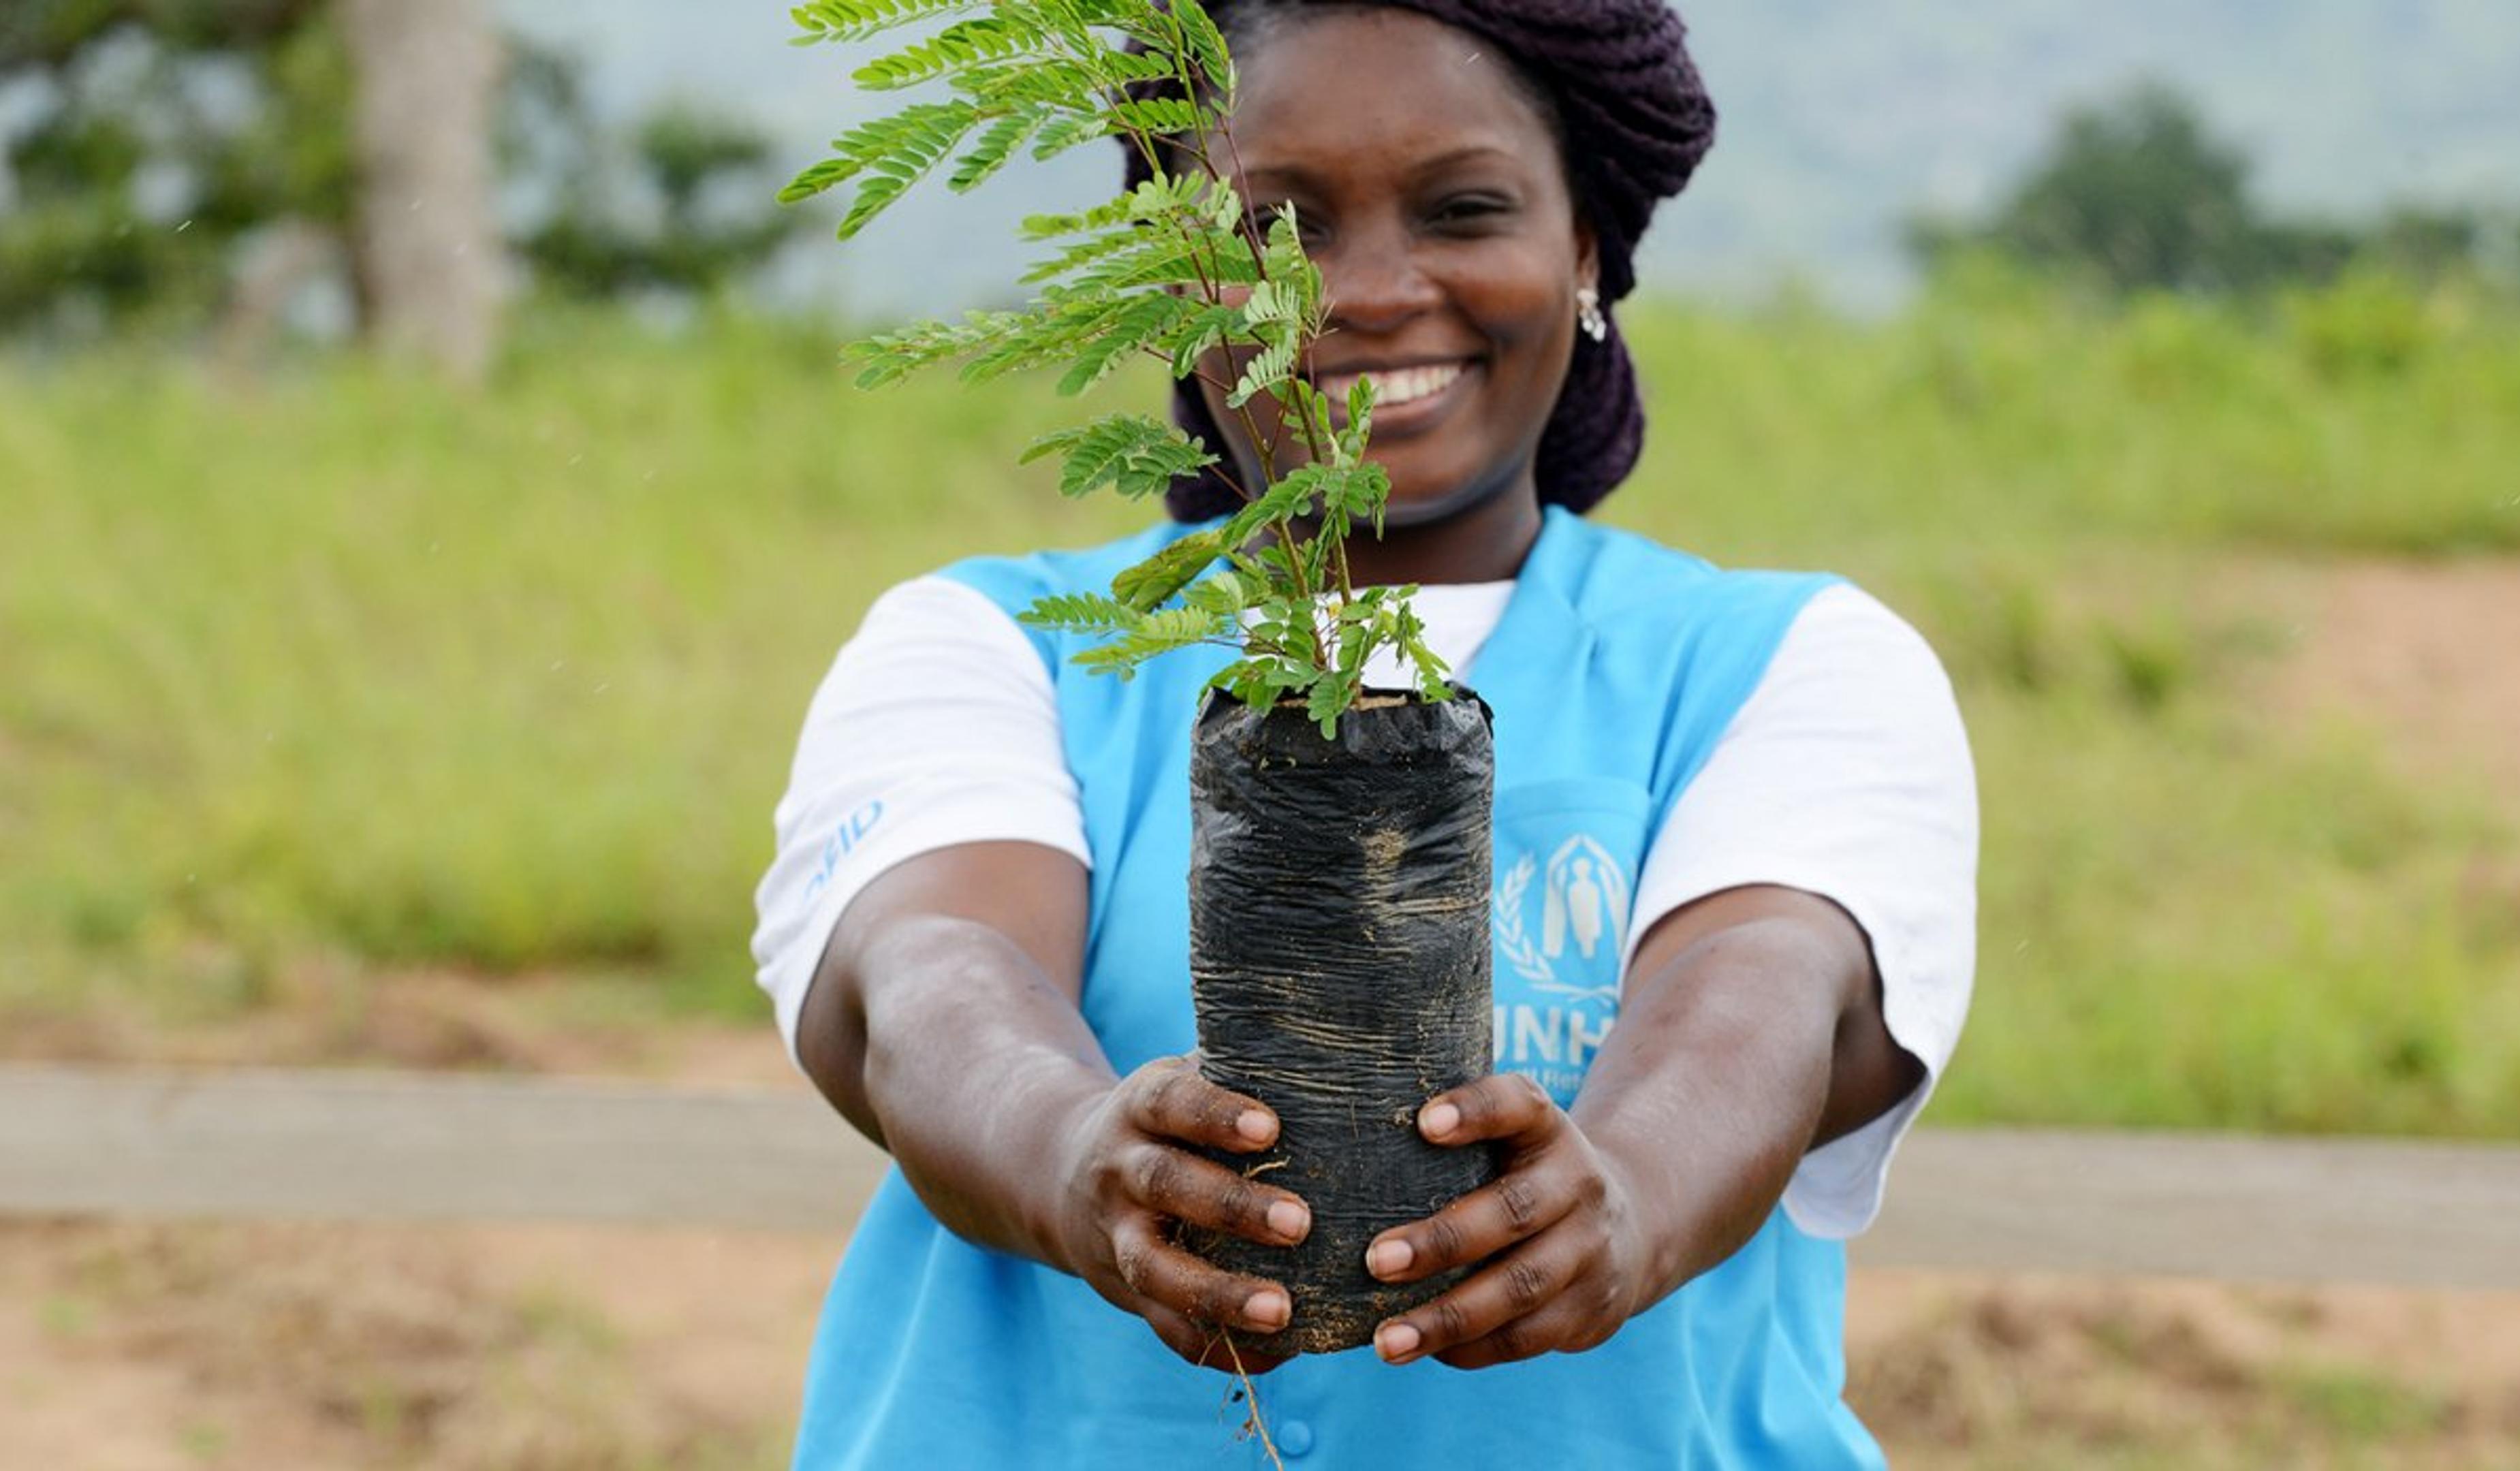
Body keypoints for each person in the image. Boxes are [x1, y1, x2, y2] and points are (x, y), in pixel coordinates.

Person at [752, 2, 1977, 1465]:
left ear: (1585, 248)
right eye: (1278, 230)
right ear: (1175, 277)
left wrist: (1628, 1198)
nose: (1372, 293)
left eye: (1464, 211)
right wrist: (1074, 1157)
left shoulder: (1789, 666)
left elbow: (1766, 985)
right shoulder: (988, 646)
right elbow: (931, 976)